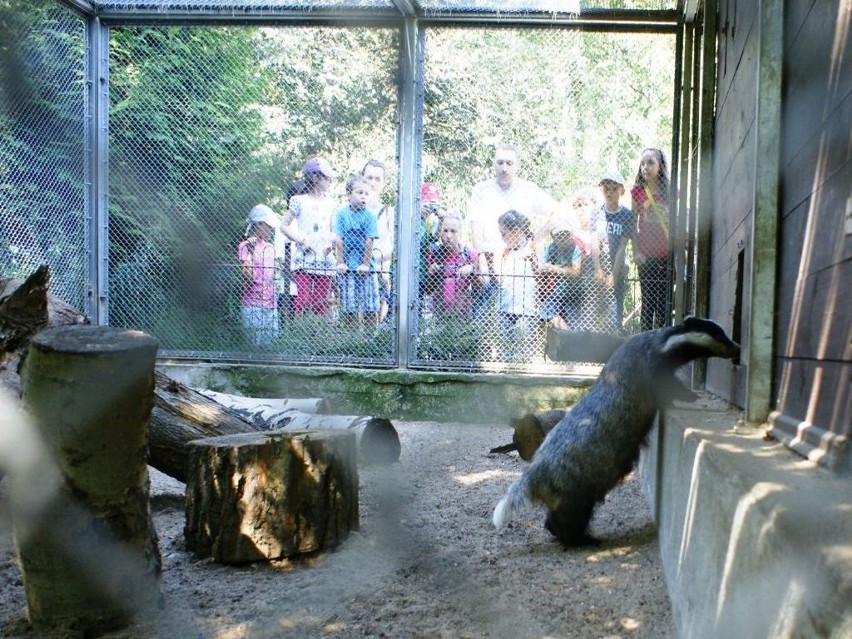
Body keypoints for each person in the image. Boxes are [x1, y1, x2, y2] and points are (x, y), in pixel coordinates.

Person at [468, 143, 560, 317]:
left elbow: (557, 212)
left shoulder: (528, 189)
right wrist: (484, 262)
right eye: (500, 162)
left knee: (521, 319)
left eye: (509, 163)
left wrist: (535, 240)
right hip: (491, 263)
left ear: (516, 165)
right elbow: (476, 233)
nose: (504, 168)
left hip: (520, 267)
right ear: (493, 163)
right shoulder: (481, 190)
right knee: (485, 324)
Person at [279, 157, 337, 316]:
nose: (330, 180)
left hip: (325, 259)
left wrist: (330, 245)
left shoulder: (331, 203)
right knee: (302, 301)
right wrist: (301, 240)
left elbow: (334, 230)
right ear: (315, 177)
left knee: (321, 303)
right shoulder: (299, 201)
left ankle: (317, 338)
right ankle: (300, 333)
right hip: (305, 257)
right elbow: (284, 226)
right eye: (326, 177)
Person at [630, 148, 671, 330]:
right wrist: (636, 251)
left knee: (664, 303)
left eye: (650, 163)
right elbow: (632, 224)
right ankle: (644, 343)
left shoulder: (671, 191)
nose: (645, 167)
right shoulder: (637, 191)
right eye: (643, 163)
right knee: (648, 302)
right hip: (646, 255)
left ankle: (661, 349)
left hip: (666, 254)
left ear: (660, 166)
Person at [334, 174, 380, 329]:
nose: (364, 197)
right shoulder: (341, 214)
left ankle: (371, 340)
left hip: (367, 268)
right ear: (349, 194)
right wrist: (340, 262)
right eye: (360, 193)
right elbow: (339, 238)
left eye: (367, 194)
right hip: (348, 268)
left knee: (370, 306)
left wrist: (365, 264)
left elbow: (370, 240)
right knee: (349, 306)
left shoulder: (370, 215)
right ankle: (351, 341)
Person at [495, 209, 539, 360]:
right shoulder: (505, 252)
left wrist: (533, 260)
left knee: (523, 354)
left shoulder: (533, 248)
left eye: (504, 233)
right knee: (503, 353)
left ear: (516, 231)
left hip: (526, 311)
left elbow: (540, 275)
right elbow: (499, 279)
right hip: (505, 309)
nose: (502, 238)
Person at [594, 172, 634, 333]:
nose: (609, 193)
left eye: (613, 189)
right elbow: (594, 241)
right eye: (606, 189)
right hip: (597, 266)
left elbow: (622, 247)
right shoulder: (596, 212)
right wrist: (597, 268)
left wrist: (614, 274)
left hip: (616, 265)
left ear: (621, 191)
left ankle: (614, 336)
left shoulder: (626, 215)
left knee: (615, 304)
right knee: (596, 307)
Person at [238, 204, 281, 345]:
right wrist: (250, 250)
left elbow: (274, 275)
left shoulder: (270, 248)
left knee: (270, 345)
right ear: (258, 225)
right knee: (254, 346)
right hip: (253, 303)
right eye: (268, 226)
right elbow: (247, 276)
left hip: (271, 304)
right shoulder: (245, 246)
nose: (271, 229)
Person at [426, 214, 480, 318]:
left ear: (460, 233)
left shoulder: (470, 254)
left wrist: (472, 270)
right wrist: (430, 273)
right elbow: (428, 290)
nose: (449, 236)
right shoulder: (434, 254)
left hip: (462, 315)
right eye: (445, 231)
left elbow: (480, 288)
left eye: (453, 231)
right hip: (438, 315)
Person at [361, 159, 395, 322]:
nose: (372, 183)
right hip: (355, 271)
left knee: (375, 322)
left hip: (380, 273)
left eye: (377, 179)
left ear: (383, 183)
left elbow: (396, 248)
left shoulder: (388, 212)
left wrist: (372, 260)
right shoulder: (348, 210)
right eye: (369, 178)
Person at [538, 219, 583, 330]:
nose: (563, 238)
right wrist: (565, 270)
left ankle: (572, 339)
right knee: (547, 314)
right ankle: (568, 337)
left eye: (566, 234)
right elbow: (542, 268)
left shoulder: (575, 248)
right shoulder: (551, 248)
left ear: (570, 234)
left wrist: (554, 268)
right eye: (559, 235)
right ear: (553, 236)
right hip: (555, 292)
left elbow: (576, 272)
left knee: (574, 324)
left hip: (573, 292)